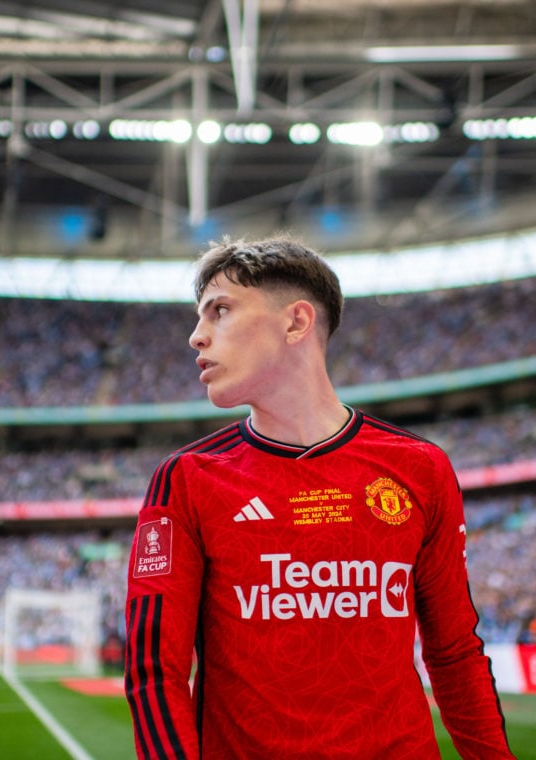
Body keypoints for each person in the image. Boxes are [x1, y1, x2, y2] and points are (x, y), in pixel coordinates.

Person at [125, 236, 513, 758]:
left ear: (296, 322)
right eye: (199, 318)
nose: (196, 337)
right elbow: (155, 671)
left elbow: (454, 652)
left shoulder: (420, 468)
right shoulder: (188, 478)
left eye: (220, 311)